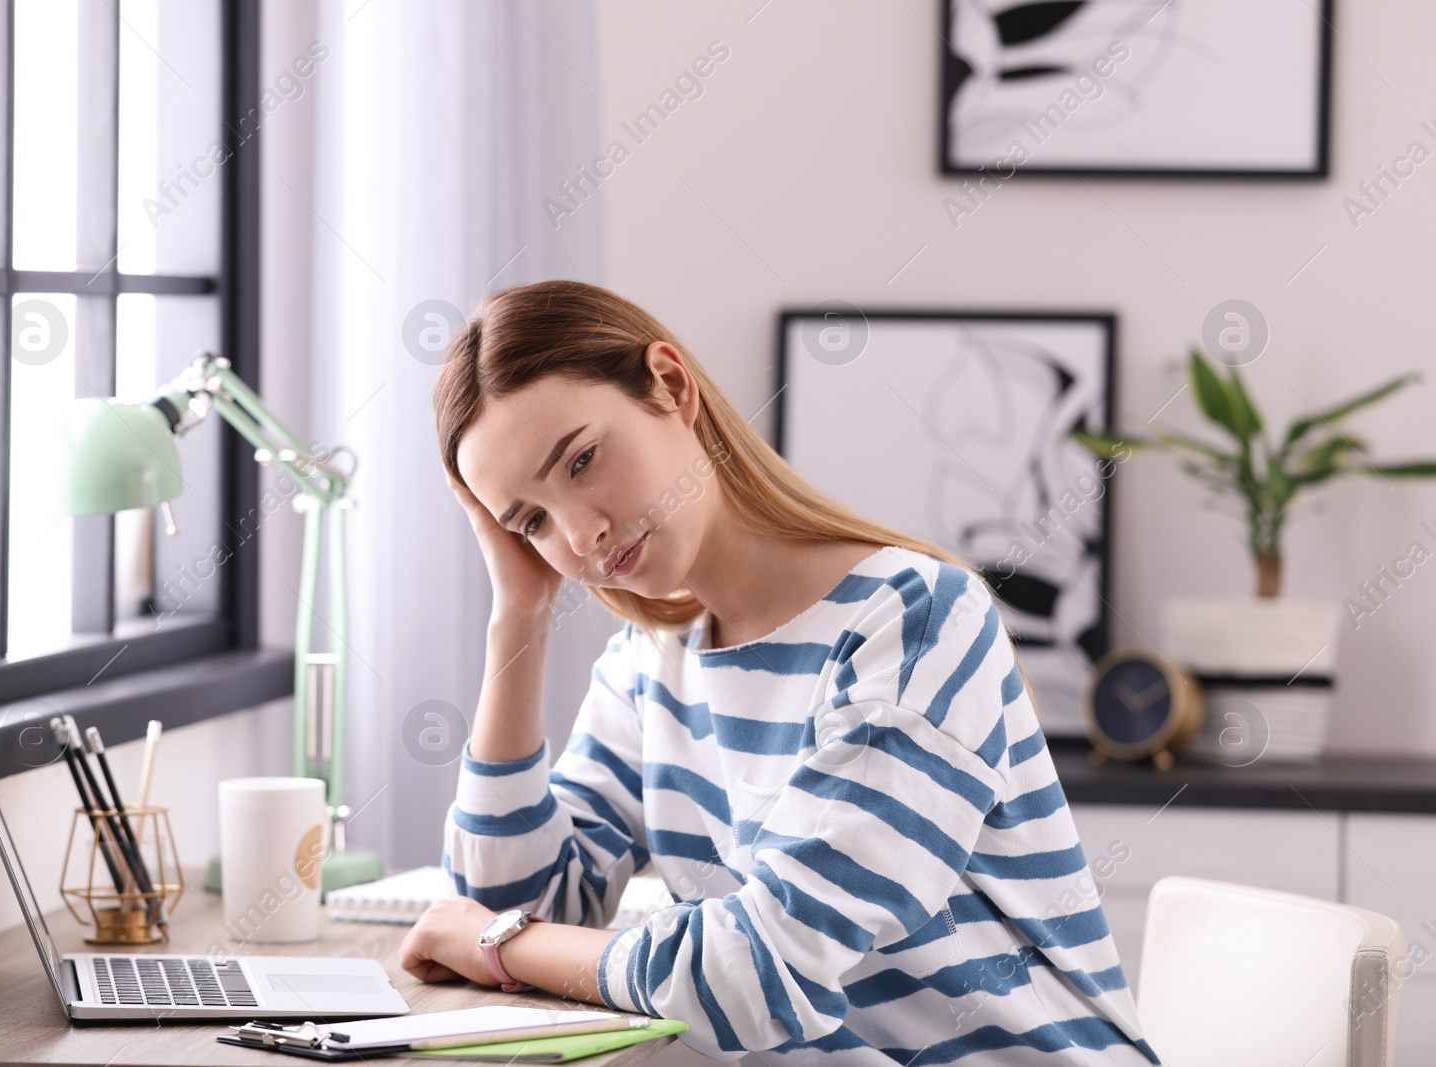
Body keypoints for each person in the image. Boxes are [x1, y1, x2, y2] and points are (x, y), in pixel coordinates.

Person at [398, 279, 1160, 1065]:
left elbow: (757, 977)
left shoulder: (913, 618)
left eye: (583, 460)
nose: (582, 534)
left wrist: (500, 944)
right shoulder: (649, 665)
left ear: (670, 385)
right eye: (532, 521)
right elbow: (510, 912)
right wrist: (517, 615)